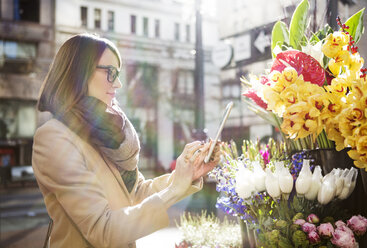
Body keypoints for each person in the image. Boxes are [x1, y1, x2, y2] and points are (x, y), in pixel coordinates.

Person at [32, 33, 221, 248]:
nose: (119, 84)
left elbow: (135, 193)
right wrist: (173, 190)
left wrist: (184, 174)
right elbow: (102, 229)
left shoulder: (105, 130)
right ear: (79, 73)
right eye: (110, 73)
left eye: (118, 73)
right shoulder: (54, 137)